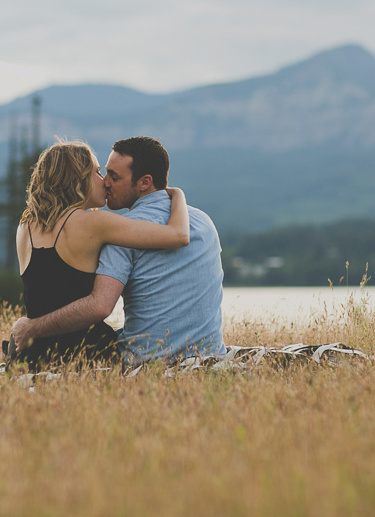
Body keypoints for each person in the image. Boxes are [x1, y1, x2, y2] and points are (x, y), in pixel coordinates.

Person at [12, 136, 226, 366]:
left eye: (112, 176)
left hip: (29, 353)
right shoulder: (99, 224)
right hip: (83, 352)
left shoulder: (25, 226)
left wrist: (31, 328)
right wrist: (177, 194)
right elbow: (178, 235)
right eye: (98, 172)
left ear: (144, 182)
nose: (104, 182)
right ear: (77, 179)